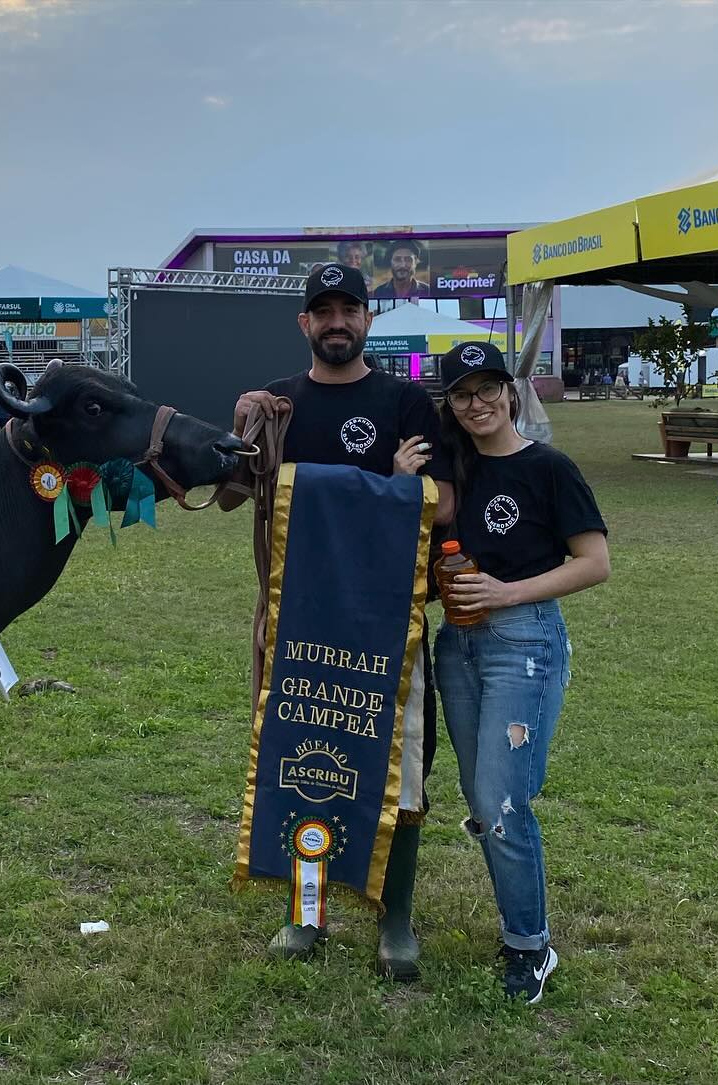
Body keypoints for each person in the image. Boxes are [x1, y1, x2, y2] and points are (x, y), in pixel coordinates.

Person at [237, 262, 456, 979]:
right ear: (304, 322)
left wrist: (397, 490)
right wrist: (242, 434)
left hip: (390, 617)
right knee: (302, 759)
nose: (336, 321)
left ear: (368, 319)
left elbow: (443, 501)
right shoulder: (278, 405)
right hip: (296, 616)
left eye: (349, 309)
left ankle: (396, 916)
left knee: (402, 767)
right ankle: (307, 912)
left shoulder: (406, 402)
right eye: (322, 310)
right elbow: (240, 497)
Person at [432, 342, 609, 1004]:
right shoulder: (454, 474)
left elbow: (594, 562)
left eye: (487, 389)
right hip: (458, 647)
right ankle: (521, 926)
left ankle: (530, 946)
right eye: (461, 394)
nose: (476, 404)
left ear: (511, 392)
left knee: (504, 806)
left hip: (524, 643)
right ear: (449, 405)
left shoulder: (548, 467)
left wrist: (507, 593)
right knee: (482, 802)